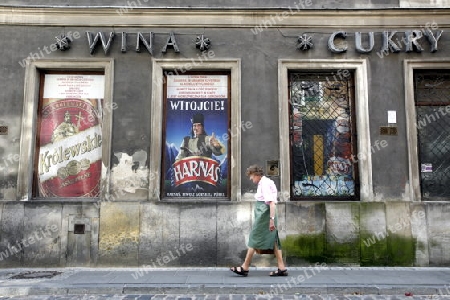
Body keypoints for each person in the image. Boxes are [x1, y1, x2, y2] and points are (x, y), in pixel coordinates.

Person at [230, 164, 288, 277]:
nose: (251, 179)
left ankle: (245, 267)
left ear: (256, 174)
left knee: (254, 238)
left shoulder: (265, 183)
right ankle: (281, 267)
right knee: (274, 240)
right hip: (264, 214)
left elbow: (271, 203)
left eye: (251, 176)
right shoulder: (264, 182)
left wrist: (271, 220)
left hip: (265, 216)